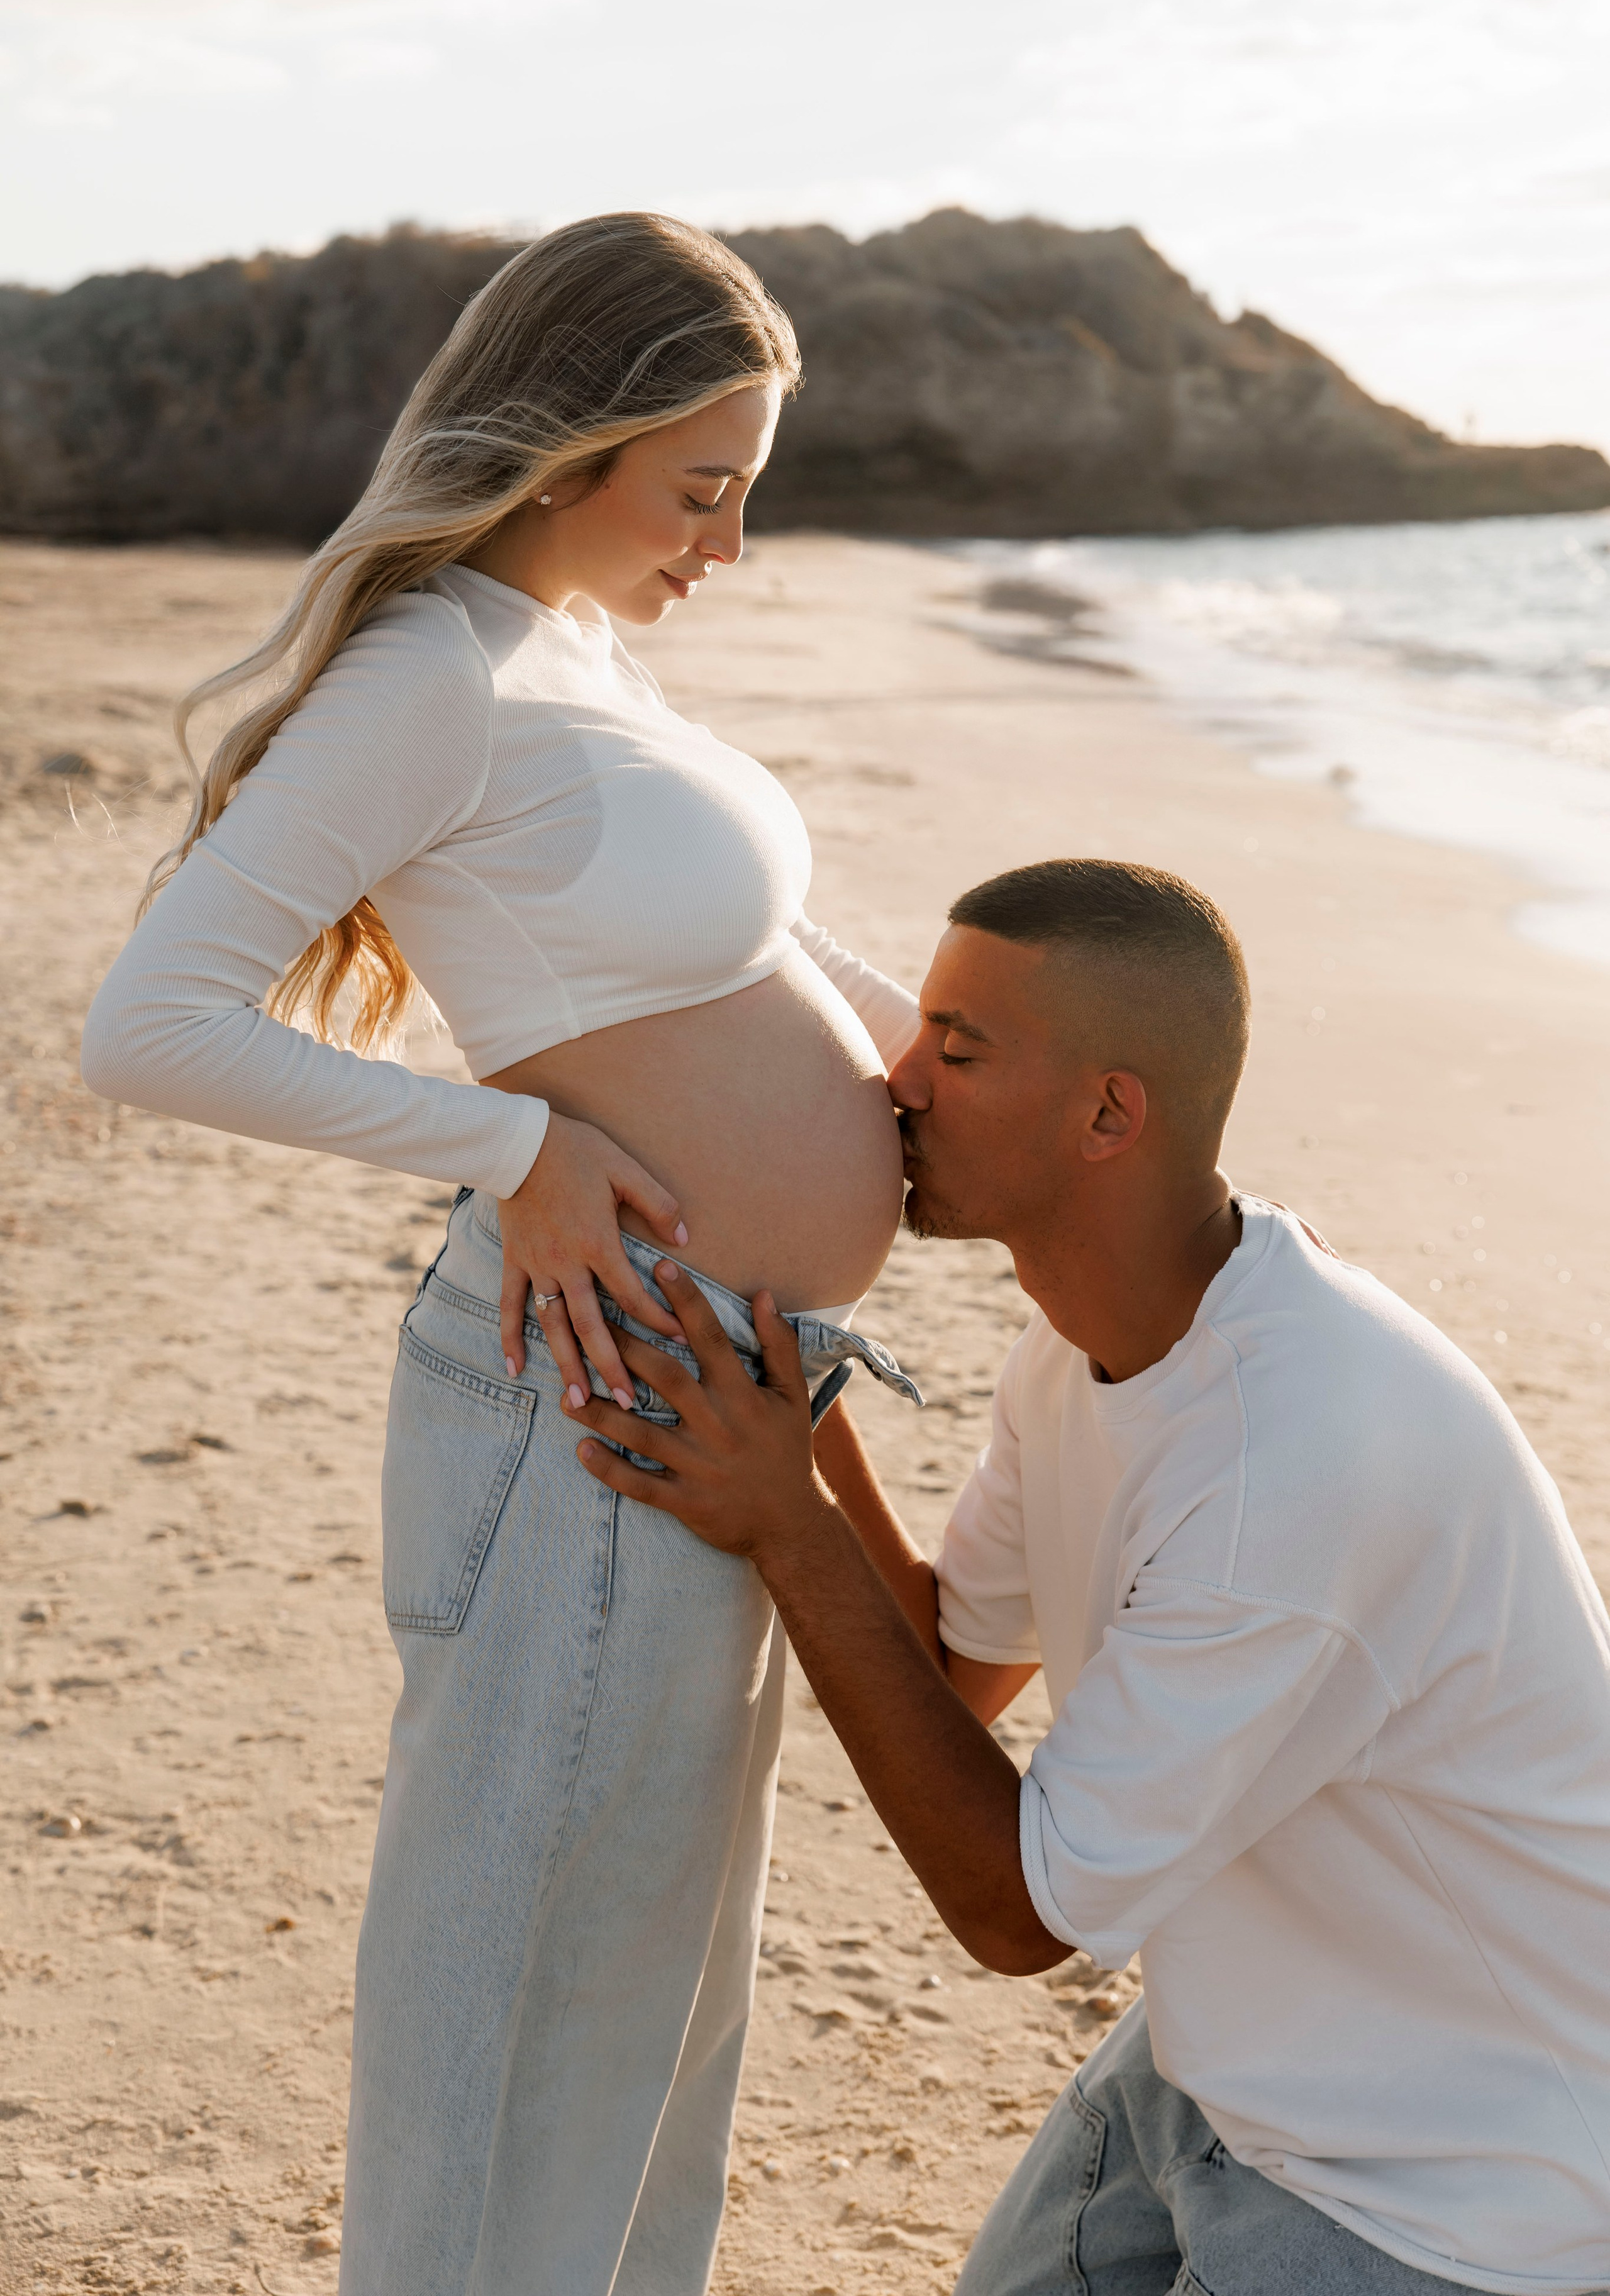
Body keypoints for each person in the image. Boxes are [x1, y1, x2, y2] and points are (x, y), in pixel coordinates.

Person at [79, 212, 924, 2296]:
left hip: (711, 1390)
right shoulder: (425, 673)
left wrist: (1047, 1110)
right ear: (573, 449)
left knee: (655, 1981)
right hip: (596, 1393)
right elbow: (149, 1025)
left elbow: (762, 962)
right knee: (529, 1987)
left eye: (751, 492)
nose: (726, 544)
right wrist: (511, 1139)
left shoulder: (583, 652)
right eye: (702, 489)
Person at [572, 857, 1610, 2296]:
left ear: (1109, 1114)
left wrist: (786, 1525)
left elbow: (1018, 1914)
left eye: (958, 1046)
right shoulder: (1083, 1343)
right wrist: (799, 1432)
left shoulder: (1288, 1469)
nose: (900, 1080)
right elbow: (949, 1668)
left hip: (1458, 2182)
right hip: (1230, 2060)